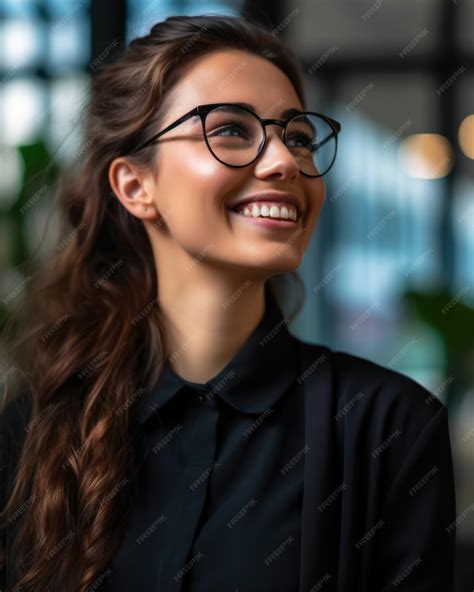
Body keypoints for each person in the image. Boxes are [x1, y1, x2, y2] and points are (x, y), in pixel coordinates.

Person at [0, 14, 455, 592]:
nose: (286, 161)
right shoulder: (36, 428)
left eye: (298, 137)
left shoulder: (388, 427)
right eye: (233, 131)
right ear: (136, 187)